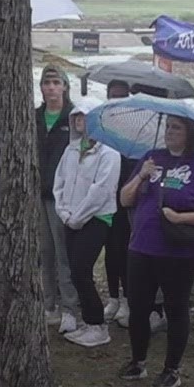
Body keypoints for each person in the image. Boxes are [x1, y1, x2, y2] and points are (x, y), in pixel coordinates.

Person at [118, 114, 194, 387]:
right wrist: (141, 175)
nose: (169, 132)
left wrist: (180, 219)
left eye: (176, 128)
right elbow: (125, 198)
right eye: (167, 127)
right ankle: (138, 361)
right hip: (142, 245)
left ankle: (171, 369)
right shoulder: (152, 158)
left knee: (176, 308)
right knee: (138, 307)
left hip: (179, 250)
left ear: (190, 133)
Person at [53, 98, 120, 348]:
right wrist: (63, 211)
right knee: (75, 270)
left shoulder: (109, 153)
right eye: (77, 117)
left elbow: (100, 191)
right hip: (69, 218)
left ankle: (97, 325)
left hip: (95, 219)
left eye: (85, 117)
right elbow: (59, 181)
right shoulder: (71, 149)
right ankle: (89, 321)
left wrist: (78, 217)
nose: (80, 121)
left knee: (82, 270)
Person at [36, 66, 79, 332]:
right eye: (46, 83)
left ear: (64, 86)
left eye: (55, 82)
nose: (51, 87)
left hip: (62, 195)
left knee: (64, 253)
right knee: (44, 251)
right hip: (38, 192)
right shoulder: (35, 116)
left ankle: (70, 307)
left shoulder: (72, 116)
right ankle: (48, 303)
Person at [102, 79, 136, 325]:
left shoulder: (132, 128)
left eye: (122, 96)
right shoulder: (101, 125)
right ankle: (113, 296)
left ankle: (126, 298)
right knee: (109, 251)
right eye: (113, 95)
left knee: (123, 249)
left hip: (125, 198)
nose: (117, 100)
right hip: (103, 197)